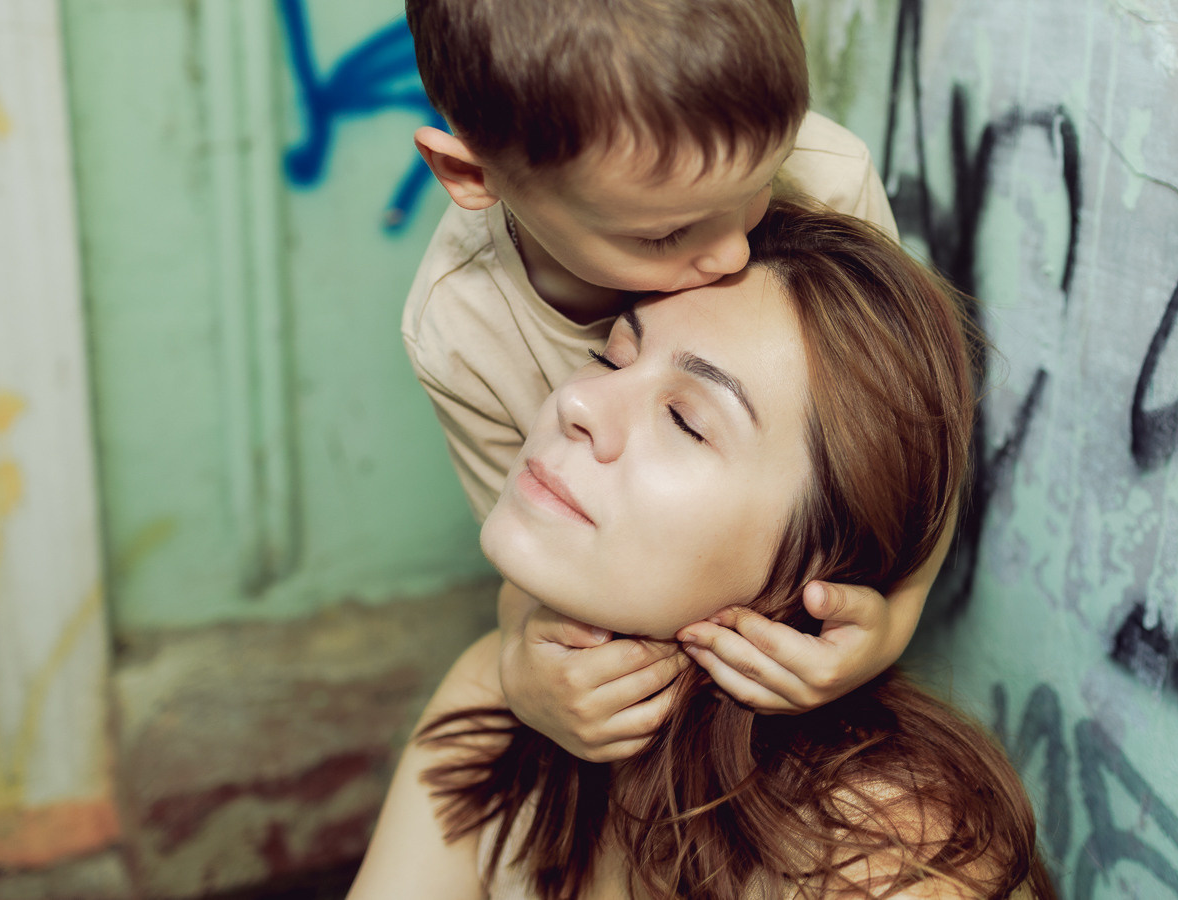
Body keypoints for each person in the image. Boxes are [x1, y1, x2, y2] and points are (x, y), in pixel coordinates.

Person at [349, 201, 1058, 899]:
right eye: (610, 355)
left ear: (822, 561)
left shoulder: (895, 861)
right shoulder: (494, 693)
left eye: (686, 421)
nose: (578, 404)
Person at [402, 0, 955, 766]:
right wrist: (519, 667)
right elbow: (530, 547)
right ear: (473, 175)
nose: (732, 252)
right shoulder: (461, 327)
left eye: (759, 186)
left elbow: (913, 433)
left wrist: (896, 619)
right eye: (662, 234)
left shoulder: (826, 177)